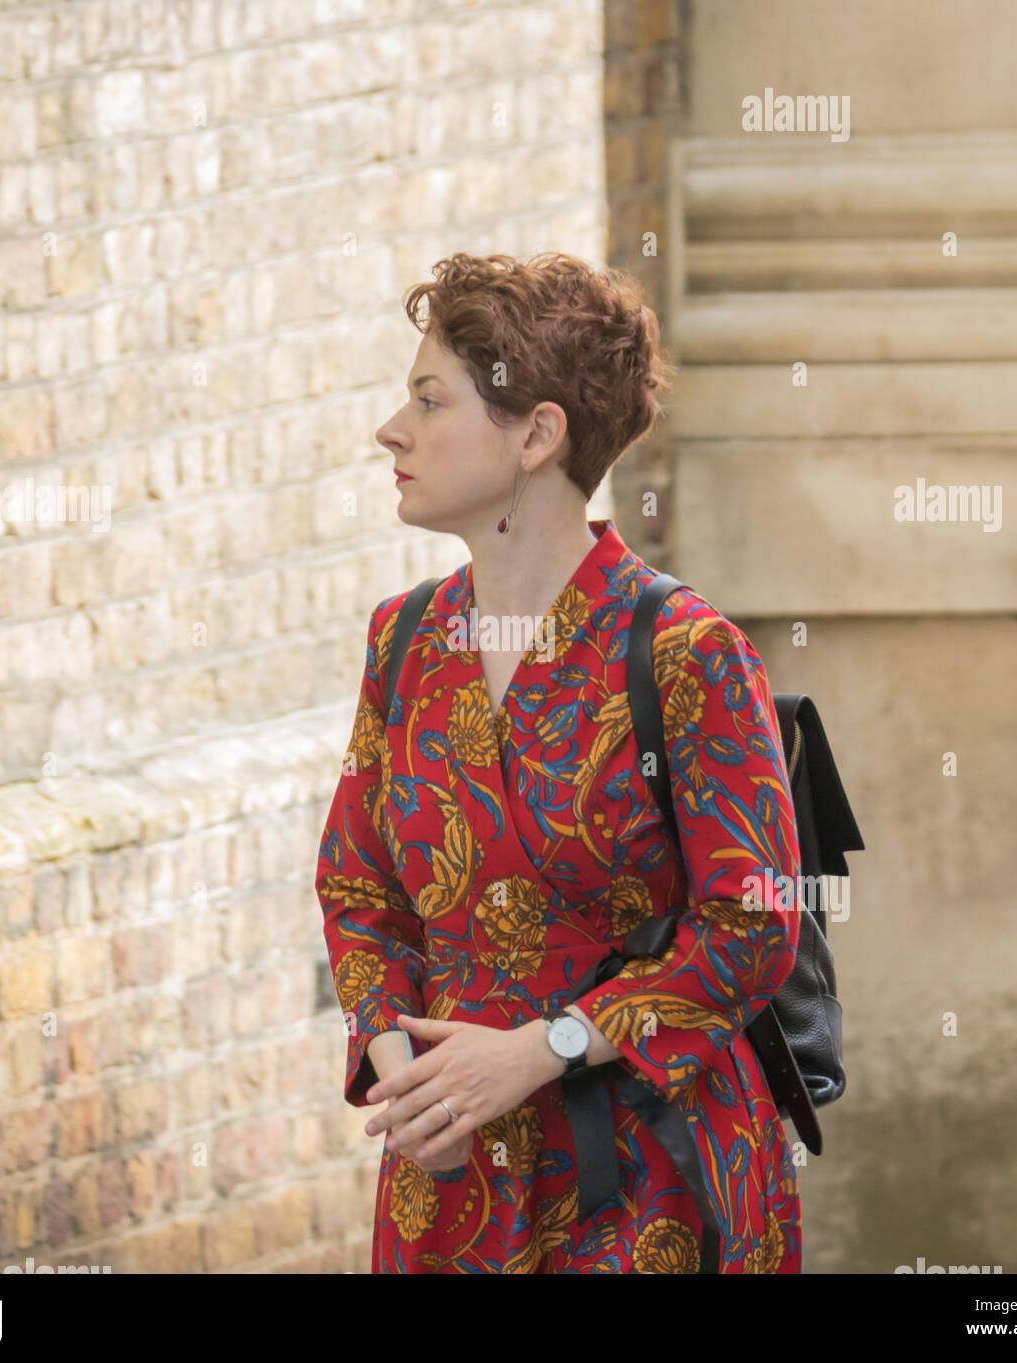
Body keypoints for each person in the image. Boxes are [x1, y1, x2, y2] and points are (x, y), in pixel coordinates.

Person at [315, 251, 802, 1273]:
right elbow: (358, 887)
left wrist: (546, 1048)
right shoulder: (405, 641)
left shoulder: (684, 652)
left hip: (651, 1177)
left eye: (428, 400)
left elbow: (752, 925)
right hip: (449, 1183)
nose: (390, 430)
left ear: (536, 435)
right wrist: (400, 1066)